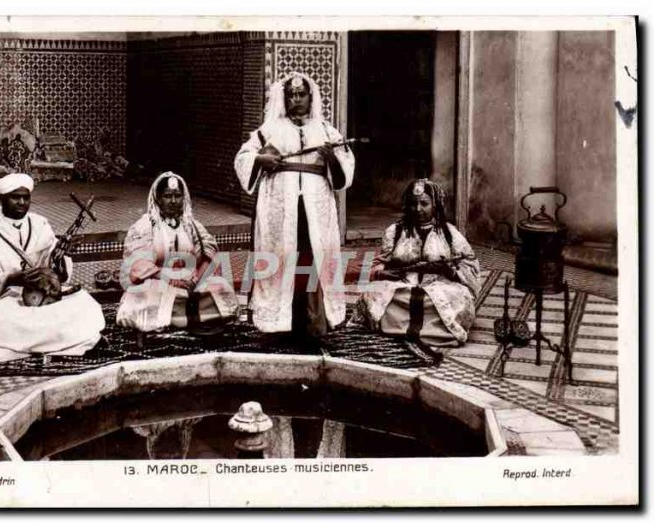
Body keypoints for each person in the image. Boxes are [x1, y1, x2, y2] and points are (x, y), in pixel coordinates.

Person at [234, 72, 355, 342]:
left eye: (302, 94)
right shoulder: (269, 130)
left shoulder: (326, 131)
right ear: (285, 97)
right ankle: (278, 323)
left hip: (315, 211)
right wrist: (260, 160)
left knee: (312, 259)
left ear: (311, 97)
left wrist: (330, 159)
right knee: (281, 258)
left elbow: (344, 172)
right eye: (292, 94)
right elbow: (243, 157)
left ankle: (313, 321)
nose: (297, 99)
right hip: (280, 211)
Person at [0, 172, 106, 367]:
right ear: (2, 198)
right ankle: (58, 344)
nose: (21, 202)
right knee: (7, 319)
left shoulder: (39, 224)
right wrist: (12, 279)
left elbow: (53, 269)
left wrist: (61, 256)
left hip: (38, 294)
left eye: (26, 197)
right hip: (3, 298)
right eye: (15, 197)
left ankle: (36, 344)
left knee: (85, 304)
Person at [357, 178, 480, 347]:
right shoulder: (395, 231)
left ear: (435, 205)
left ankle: (404, 328)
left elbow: (470, 265)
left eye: (424, 204)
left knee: (460, 297)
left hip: (438, 286)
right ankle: (424, 330)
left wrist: (448, 271)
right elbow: (378, 264)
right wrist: (382, 272)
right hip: (403, 286)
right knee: (373, 292)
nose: (418, 209)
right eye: (413, 204)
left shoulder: (449, 233)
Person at [116, 172, 239, 333]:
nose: (173, 201)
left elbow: (210, 254)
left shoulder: (192, 225)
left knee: (219, 286)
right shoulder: (145, 227)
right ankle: (182, 318)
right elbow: (139, 264)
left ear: (184, 198)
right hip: (159, 280)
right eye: (168, 196)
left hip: (190, 281)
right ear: (158, 198)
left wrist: (196, 279)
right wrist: (173, 280)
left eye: (177, 196)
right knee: (146, 292)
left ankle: (188, 317)